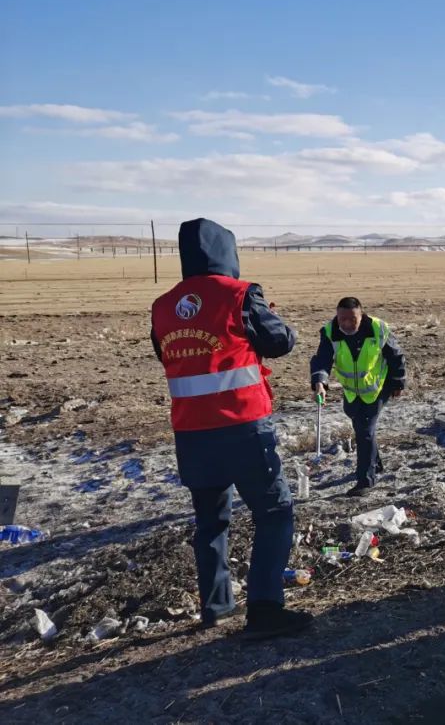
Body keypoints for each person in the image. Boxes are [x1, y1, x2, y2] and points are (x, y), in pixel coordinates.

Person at [150, 218, 312, 639]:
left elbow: (165, 356)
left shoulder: (163, 306)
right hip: (242, 428)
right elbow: (279, 342)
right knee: (275, 512)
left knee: (210, 522)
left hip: (190, 434)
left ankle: (216, 607)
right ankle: (264, 609)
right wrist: (274, 321)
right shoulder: (241, 295)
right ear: (228, 253)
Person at [310, 296, 406, 496]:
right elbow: (322, 360)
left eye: (351, 319)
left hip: (378, 387)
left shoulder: (378, 329)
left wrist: (398, 382)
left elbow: (395, 356)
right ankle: (375, 463)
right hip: (352, 391)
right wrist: (320, 381)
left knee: (365, 430)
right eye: (342, 319)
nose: (346, 324)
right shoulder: (330, 332)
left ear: (361, 315)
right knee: (360, 427)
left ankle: (365, 480)